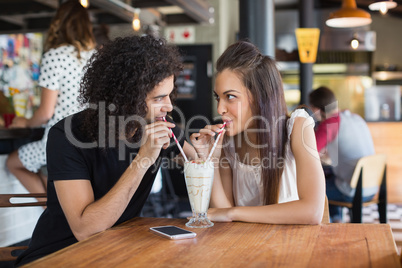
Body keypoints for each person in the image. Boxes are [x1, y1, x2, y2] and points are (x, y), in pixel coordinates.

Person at [15, 35, 198, 266]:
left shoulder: (159, 126)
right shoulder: (67, 137)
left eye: (170, 94)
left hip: (116, 251)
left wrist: (206, 152)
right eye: (159, 97)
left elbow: (199, 164)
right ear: (128, 98)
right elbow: (85, 231)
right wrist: (142, 160)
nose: (169, 105)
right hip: (60, 255)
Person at [190, 40, 325, 225]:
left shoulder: (297, 126)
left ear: (259, 97)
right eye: (218, 97)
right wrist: (209, 159)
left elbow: (313, 211)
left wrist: (234, 213)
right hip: (247, 247)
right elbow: (222, 214)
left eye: (230, 97)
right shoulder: (228, 142)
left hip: (292, 246)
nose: (220, 108)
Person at [6, 0, 96, 198]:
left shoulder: (55, 56)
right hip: (89, 142)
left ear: (59, 24)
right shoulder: (96, 57)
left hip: (59, 141)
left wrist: (25, 122)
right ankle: (55, 207)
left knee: (12, 162)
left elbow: (45, 113)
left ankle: (51, 207)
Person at [309, 86, 375, 223]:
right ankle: (336, 220)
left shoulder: (331, 123)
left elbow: (308, 151)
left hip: (352, 190)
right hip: (372, 186)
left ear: (316, 109)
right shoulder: (355, 117)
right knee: (329, 177)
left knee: (312, 191)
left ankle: (331, 223)